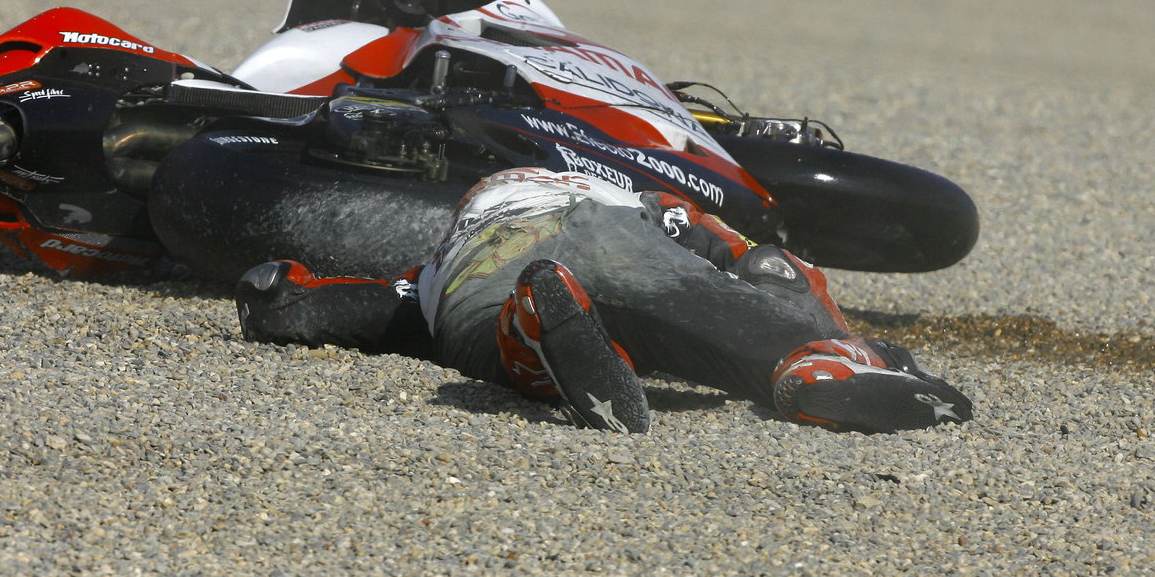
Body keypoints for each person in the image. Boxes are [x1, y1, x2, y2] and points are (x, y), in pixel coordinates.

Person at [235, 167, 973, 434]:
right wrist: (826, 321)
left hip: (482, 259)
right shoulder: (638, 198)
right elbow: (770, 263)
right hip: (614, 231)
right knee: (721, 304)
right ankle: (818, 359)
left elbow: (322, 302)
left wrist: (273, 295)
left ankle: (532, 331)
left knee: (472, 331)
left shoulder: (427, 268)